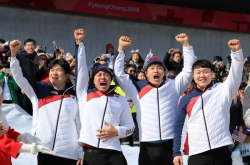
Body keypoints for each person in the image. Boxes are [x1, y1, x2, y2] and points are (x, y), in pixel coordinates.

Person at [114, 33, 195, 165]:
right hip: (147, 145)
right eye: (152, 68)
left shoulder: (174, 85)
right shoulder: (137, 87)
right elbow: (119, 74)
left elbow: (188, 71)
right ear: (146, 73)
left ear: (164, 72)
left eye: (159, 68)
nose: (155, 70)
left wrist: (186, 45)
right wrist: (121, 49)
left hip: (171, 144)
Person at [9, 40, 83, 165]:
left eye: (58, 69)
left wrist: (81, 152)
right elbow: (19, 76)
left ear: (67, 75)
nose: (54, 72)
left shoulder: (75, 96)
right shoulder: (38, 90)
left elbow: (79, 125)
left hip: (70, 154)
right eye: (52, 70)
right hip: (46, 151)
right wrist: (14, 54)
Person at [173, 39, 243, 165]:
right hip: (197, 153)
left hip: (221, 150)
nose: (202, 75)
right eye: (198, 72)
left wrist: (236, 52)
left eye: (206, 72)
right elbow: (179, 127)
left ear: (212, 74)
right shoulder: (186, 99)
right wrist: (176, 152)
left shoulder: (222, 89)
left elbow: (236, 74)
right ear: (193, 76)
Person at [74, 29, 134, 165]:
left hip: (115, 154)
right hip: (91, 154)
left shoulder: (120, 99)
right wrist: (80, 43)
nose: (103, 77)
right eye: (99, 75)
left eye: (106, 75)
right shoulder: (85, 93)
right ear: (93, 79)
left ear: (110, 79)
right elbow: (81, 69)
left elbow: (130, 126)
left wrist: (116, 131)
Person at [0, 86, 54, 165]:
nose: (2, 97)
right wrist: (29, 148)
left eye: (1, 94)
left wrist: (23, 137)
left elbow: (6, 131)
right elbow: (3, 143)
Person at [16, 39, 45, 115]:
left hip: (35, 86)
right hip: (23, 86)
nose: (30, 47)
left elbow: (38, 75)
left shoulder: (37, 58)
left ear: (34, 46)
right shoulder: (20, 57)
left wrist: (40, 68)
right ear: (25, 47)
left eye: (32, 45)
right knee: (25, 108)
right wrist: (21, 86)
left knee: (34, 108)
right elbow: (17, 72)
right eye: (28, 45)